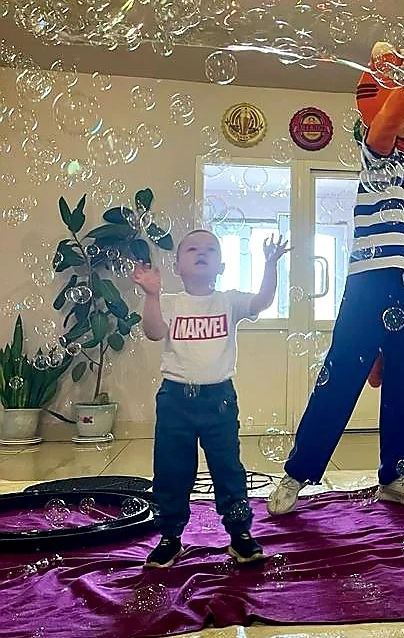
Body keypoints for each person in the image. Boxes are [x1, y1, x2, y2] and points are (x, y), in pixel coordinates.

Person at [268, 42, 404, 516]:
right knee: (339, 379)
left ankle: (397, 477)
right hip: (370, 284)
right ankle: (297, 473)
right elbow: (386, 124)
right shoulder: (376, 156)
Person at [132, 228, 290, 567]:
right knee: (171, 469)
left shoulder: (228, 301)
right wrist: (151, 295)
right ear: (177, 266)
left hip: (219, 398)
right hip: (175, 399)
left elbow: (261, 301)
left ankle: (240, 533)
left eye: (210, 249)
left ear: (221, 266)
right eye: (192, 249)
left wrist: (271, 266)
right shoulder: (170, 302)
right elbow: (154, 331)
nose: (201, 252)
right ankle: (170, 536)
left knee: (228, 467)